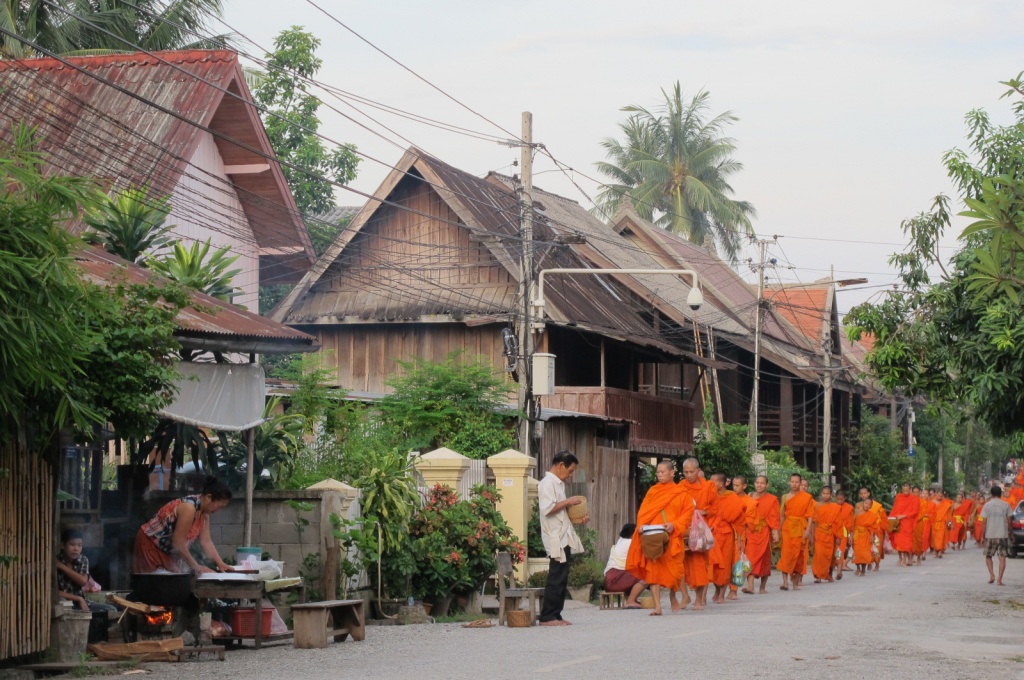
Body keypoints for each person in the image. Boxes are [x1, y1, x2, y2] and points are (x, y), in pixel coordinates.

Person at [626, 461, 693, 615]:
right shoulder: (653, 491)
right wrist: (641, 525)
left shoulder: (681, 493)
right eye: (658, 472)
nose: (660, 475)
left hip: (672, 536)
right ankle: (657, 606)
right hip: (653, 537)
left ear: (672, 473)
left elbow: (688, 514)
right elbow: (644, 512)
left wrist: (675, 525)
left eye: (663, 472)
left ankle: (672, 596)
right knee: (653, 571)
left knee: (674, 572)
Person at [133, 476, 234, 574]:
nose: (218, 510)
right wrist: (197, 567)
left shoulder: (204, 514)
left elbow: (206, 541)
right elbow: (178, 544)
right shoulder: (189, 508)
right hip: (150, 544)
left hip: (166, 550)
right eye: (219, 506)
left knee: (171, 583)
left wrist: (220, 563)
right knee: (154, 584)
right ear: (209, 497)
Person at [538, 450, 587, 626]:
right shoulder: (547, 483)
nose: (570, 475)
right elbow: (548, 509)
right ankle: (547, 616)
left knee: (562, 576)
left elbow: (560, 511)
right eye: (570, 471)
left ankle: (556, 614)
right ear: (560, 465)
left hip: (563, 534)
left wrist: (578, 518)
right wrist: (568, 501)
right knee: (556, 575)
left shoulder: (558, 484)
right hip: (554, 535)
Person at [56, 529, 117, 643]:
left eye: (79, 545)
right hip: (65, 605)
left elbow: (83, 581)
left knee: (111, 609)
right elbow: (54, 592)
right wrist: (78, 599)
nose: (76, 549)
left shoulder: (83, 560)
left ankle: (101, 644)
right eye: (72, 545)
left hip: (83, 602)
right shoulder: (56, 561)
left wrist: (62, 567)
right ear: (63, 545)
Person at [678, 457, 718, 611]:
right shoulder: (681, 486)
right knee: (680, 565)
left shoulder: (708, 487)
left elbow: (716, 509)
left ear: (698, 471)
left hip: (700, 530)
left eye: (692, 471)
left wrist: (704, 511)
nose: (689, 475)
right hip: (685, 528)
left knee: (700, 565)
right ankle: (684, 596)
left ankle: (698, 600)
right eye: (686, 472)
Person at [710, 473, 746, 604]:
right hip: (712, 534)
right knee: (713, 565)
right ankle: (716, 591)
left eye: (713, 482)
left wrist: (741, 539)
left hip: (726, 534)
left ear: (721, 484)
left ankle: (722, 594)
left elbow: (740, 520)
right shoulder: (710, 496)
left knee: (724, 564)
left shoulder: (731, 497)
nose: (710, 484)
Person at [778, 473, 816, 591]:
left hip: (801, 528)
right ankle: (785, 582)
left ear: (800, 484)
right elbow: (782, 515)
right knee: (786, 554)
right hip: (788, 528)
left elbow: (810, 515)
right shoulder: (785, 497)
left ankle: (795, 582)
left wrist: (808, 530)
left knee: (799, 556)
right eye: (792, 482)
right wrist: (777, 530)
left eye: (797, 482)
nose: (794, 484)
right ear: (789, 482)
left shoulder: (807, 497)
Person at [746, 475, 780, 594]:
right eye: (757, 482)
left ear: (767, 485)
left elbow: (774, 517)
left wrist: (775, 532)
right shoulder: (749, 496)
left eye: (762, 483)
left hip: (764, 531)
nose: (759, 485)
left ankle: (762, 587)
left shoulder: (772, 500)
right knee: (750, 557)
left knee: (765, 558)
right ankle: (750, 586)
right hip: (751, 531)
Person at [605, 523, 647, 609]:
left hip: (611, 580)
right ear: (633, 533)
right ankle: (630, 601)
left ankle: (632, 599)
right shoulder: (630, 543)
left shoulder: (621, 540)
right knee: (646, 576)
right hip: (615, 581)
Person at [980, 485, 1013, 586]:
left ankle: (991, 575)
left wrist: (982, 536)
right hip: (1002, 534)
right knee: (1002, 557)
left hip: (990, 534)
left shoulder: (987, 505)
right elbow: (1009, 521)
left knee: (988, 555)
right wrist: (1010, 534)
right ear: (1000, 494)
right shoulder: (1006, 505)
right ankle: (999, 580)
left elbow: (984, 522)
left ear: (991, 494)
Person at [810, 486, 843, 583]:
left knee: (830, 556)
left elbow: (838, 523)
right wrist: (812, 535)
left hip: (830, 534)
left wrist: (838, 537)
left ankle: (829, 575)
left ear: (831, 495)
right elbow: (814, 522)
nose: (825, 495)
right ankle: (819, 576)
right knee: (819, 555)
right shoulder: (817, 506)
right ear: (821, 494)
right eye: (823, 493)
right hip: (819, 533)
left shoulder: (835, 508)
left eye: (827, 494)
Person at [731, 475, 756, 598]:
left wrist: (740, 519)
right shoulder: (728, 498)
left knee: (737, 563)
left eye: (737, 485)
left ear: (744, 486)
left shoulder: (751, 503)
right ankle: (722, 591)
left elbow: (751, 523)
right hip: (727, 534)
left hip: (740, 536)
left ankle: (734, 590)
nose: (734, 488)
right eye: (733, 485)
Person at [890, 483, 919, 566]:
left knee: (906, 542)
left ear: (910, 490)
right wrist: (892, 518)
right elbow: (895, 508)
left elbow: (915, 511)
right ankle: (900, 558)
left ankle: (905, 558)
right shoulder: (899, 497)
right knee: (898, 541)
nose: (905, 492)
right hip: (898, 522)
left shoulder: (914, 499)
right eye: (903, 491)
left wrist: (904, 515)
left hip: (907, 522)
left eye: (907, 490)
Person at [852, 498, 879, 577]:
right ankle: (858, 568)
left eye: (869, 504)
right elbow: (852, 524)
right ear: (863, 503)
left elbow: (873, 528)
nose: (867, 505)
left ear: (871, 506)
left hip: (866, 536)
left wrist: (872, 536)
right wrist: (850, 536)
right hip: (857, 535)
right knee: (857, 552)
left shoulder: (872, 515)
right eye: (865, 503)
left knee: (864, 553)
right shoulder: (857, 512)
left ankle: (863, 569)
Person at [835, 490, 855, 575]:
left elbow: (851, 522)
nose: (839, 501)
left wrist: (851, 534)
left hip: (844, 530)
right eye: (838, 499)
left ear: (845, 498)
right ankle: (838, 563)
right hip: (834, 530)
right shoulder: (833, 507)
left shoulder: (849, 508)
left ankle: (841, 564)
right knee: (837, 549)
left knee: (841, 549)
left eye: (841, 499)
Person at [931, 488, 953, 558]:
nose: (939, 497)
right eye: (938, 495)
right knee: (934, 538)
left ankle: (940, 551)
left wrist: (949, 524)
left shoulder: (946, 504)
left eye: (941, 496)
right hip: (933, 522)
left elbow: (949, 515)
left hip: (942, 523)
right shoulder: (931, 502)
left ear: (943, 496)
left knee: (941, 537)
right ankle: (936, 551)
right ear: (935, 495)